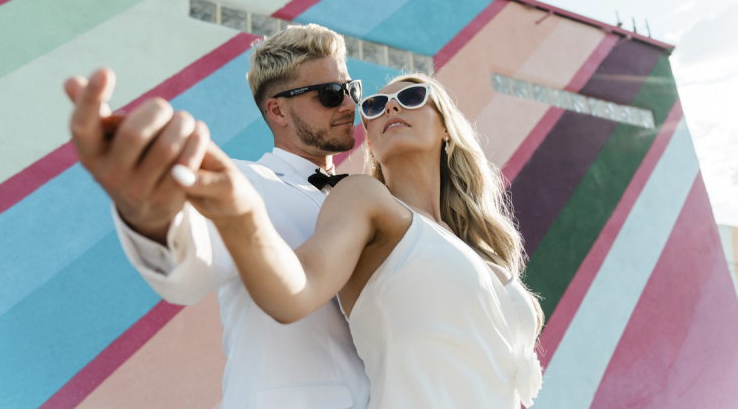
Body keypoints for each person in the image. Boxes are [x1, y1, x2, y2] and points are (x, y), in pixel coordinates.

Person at [169, 73, 545, 408]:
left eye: (412, 96)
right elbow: (298, 286)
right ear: (370, 143)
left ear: (446, 127)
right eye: (375, 106)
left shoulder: (484, 255)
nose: (391, 105)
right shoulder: (364, 200)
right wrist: (241, 216)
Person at [64, 24, 370, 409]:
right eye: (330, 94)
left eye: (350, 90)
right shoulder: (245, 182)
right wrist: (153, 220)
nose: (348, 105)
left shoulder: (367, 200)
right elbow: (193, 261)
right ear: (277, 109)